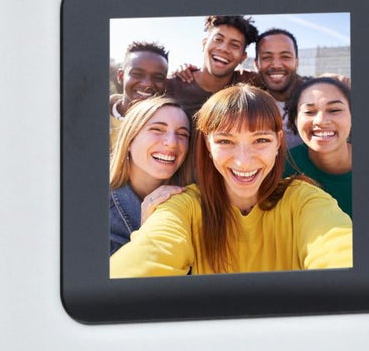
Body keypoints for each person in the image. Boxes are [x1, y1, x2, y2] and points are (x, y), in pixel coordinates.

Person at [110, 84, 351, 277]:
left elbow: (339, 249)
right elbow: (147, 257)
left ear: (278, 141)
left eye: (261, 140)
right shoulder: (183, 206)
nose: (243, 161)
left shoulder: (304, 200)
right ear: (207, 145)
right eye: (225, 141)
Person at [108, 95, 193, 254]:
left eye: (182, 134)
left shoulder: (195, 200)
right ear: (129, 139)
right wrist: (146, 232)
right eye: (157, 130)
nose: (172, 143)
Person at [164, 15, 260, 121]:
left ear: (243, 57)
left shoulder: (249, 83)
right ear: (204, 43)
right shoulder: (170, 87)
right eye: (218, 39)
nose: (223, 48)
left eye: (235, 45)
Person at [285, 76, 353, 217]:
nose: (321, 121)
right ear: (295, 119)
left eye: (334, 110)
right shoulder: (282, 167)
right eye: (309, 112)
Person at [109, 41, 170, 147]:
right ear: (121, 76)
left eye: (158, 78)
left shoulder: (170, 127)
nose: (147, 83)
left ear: (165, 84)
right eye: (137, 74)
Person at [255, 27, 305, 148]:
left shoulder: (317, 99)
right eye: (267, 57)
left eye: (285, 57)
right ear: (256, 64)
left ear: (296, 62)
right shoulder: (248, 104)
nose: (276, 65)